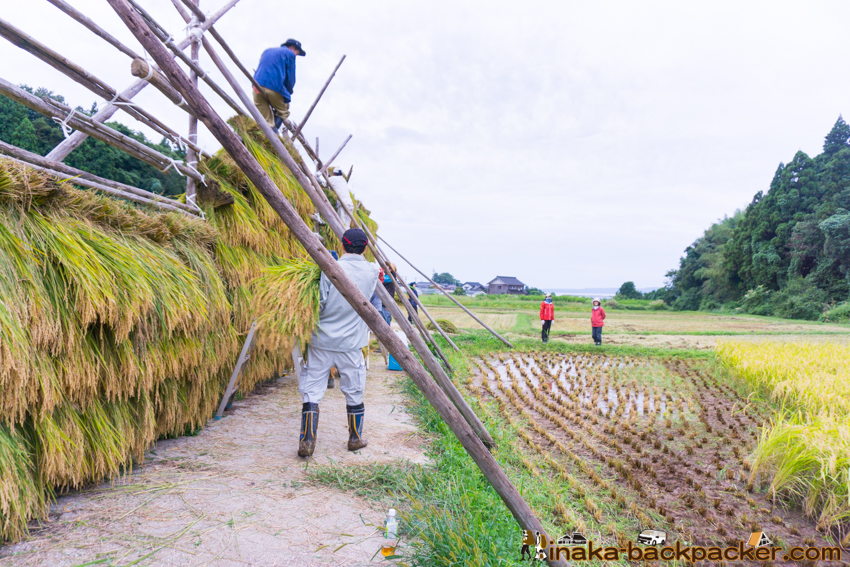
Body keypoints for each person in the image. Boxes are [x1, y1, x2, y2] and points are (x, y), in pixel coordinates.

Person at [297, 228, 380, 457]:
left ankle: (307, 440)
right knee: (354, 390)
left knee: (312, 390)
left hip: (321, 340)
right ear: (365, 247)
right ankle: (355, 438)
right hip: (351, 344)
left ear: (342, 245)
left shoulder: (329, 268)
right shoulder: (372, 270)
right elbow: (373, 287)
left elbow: (320, 301)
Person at [253, 39, 305, 133]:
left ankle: (267, 131)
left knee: (267, 121)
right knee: (284, 110)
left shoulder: (267, 51)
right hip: (274, 87)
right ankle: (274, 134)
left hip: (256, 86)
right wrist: (288, 93)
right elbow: (290, 78)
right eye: (297, 52)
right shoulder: (290, 54)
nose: (296, 55)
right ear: (292, 47)